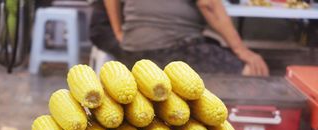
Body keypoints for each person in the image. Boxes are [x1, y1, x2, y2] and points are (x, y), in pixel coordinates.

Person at [104, 0, 269, 76]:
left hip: (131, 49)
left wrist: (118, 31)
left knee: (213, 46)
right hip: (172, 50)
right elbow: (208, 5)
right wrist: (242, 50)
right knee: (252, 70)